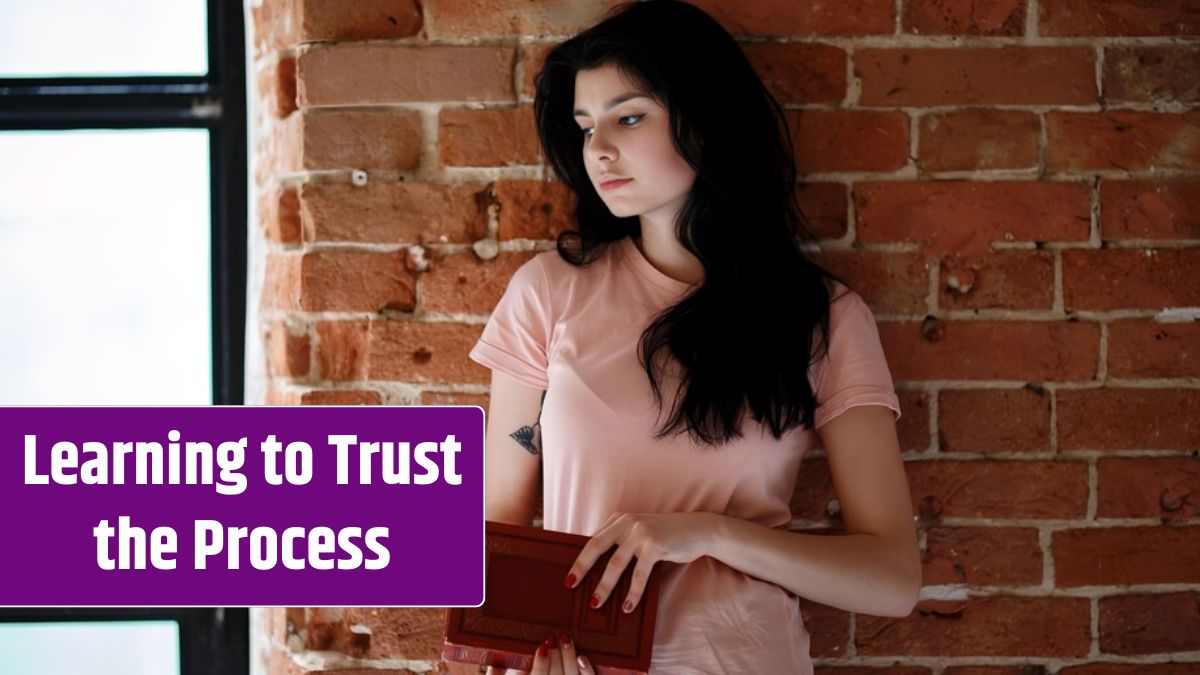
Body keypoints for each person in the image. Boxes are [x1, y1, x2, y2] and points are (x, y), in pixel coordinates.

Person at [467, 1, 921, 673]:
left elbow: (891, 578)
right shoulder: (549, 292)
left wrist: (707, 532)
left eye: (628, 117)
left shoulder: (822, 317)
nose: (598, 149)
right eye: (585, 126)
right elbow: (493, 541)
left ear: (705, 123)